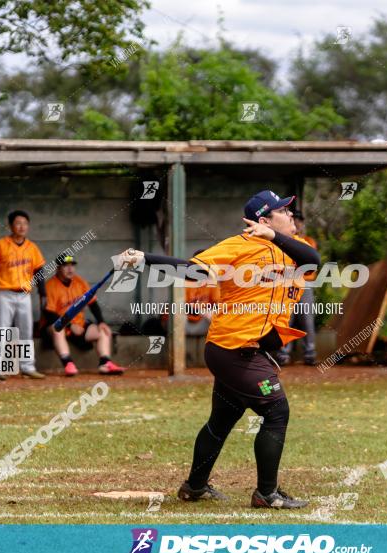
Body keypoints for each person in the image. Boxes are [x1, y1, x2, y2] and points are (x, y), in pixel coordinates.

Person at [115, 189, 320, 509]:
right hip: (235, 350)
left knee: (222, 420)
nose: (291, 214)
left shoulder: (295, 250)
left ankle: (194, 486)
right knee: (277, 412)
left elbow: (314, 261)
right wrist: (146, 259)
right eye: (283, 211)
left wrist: (273, 236)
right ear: (264, 220)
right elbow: (193, 270)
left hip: (247, 349)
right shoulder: (239, 245)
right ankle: (266, 494)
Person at [42, 255, 125, 376]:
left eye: (72, 265)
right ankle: (68, 364)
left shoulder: (79, 282)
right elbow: (48, 313)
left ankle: (105, 364)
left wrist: (101, 322)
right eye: (66, 266)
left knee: (103, 331)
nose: (70, 269)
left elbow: (93, 303)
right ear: (58, 268)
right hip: (59, 325)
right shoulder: (50, 285)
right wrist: (70, 326)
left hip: (79, 325)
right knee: (57, 329)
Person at [0, 210, 46, 379]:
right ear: (10, 226)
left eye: (25, 223)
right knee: (0, 330)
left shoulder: (32, 247)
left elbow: (39, 270)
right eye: (18, 223)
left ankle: (27, 366)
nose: (22, 227)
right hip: (4, 292)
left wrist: (42, 293)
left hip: (24, 294)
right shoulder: (0, 244)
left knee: (26, 330)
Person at [278, 210, 317, 366]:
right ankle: (283, 354)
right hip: (287, 282)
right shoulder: (282, 240)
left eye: (300, 220)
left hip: (304, 283)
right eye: (295, 220)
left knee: (307, 319)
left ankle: (310, 354)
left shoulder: (308, 241)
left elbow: (307, 262)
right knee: (286, 318)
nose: (298, 223)